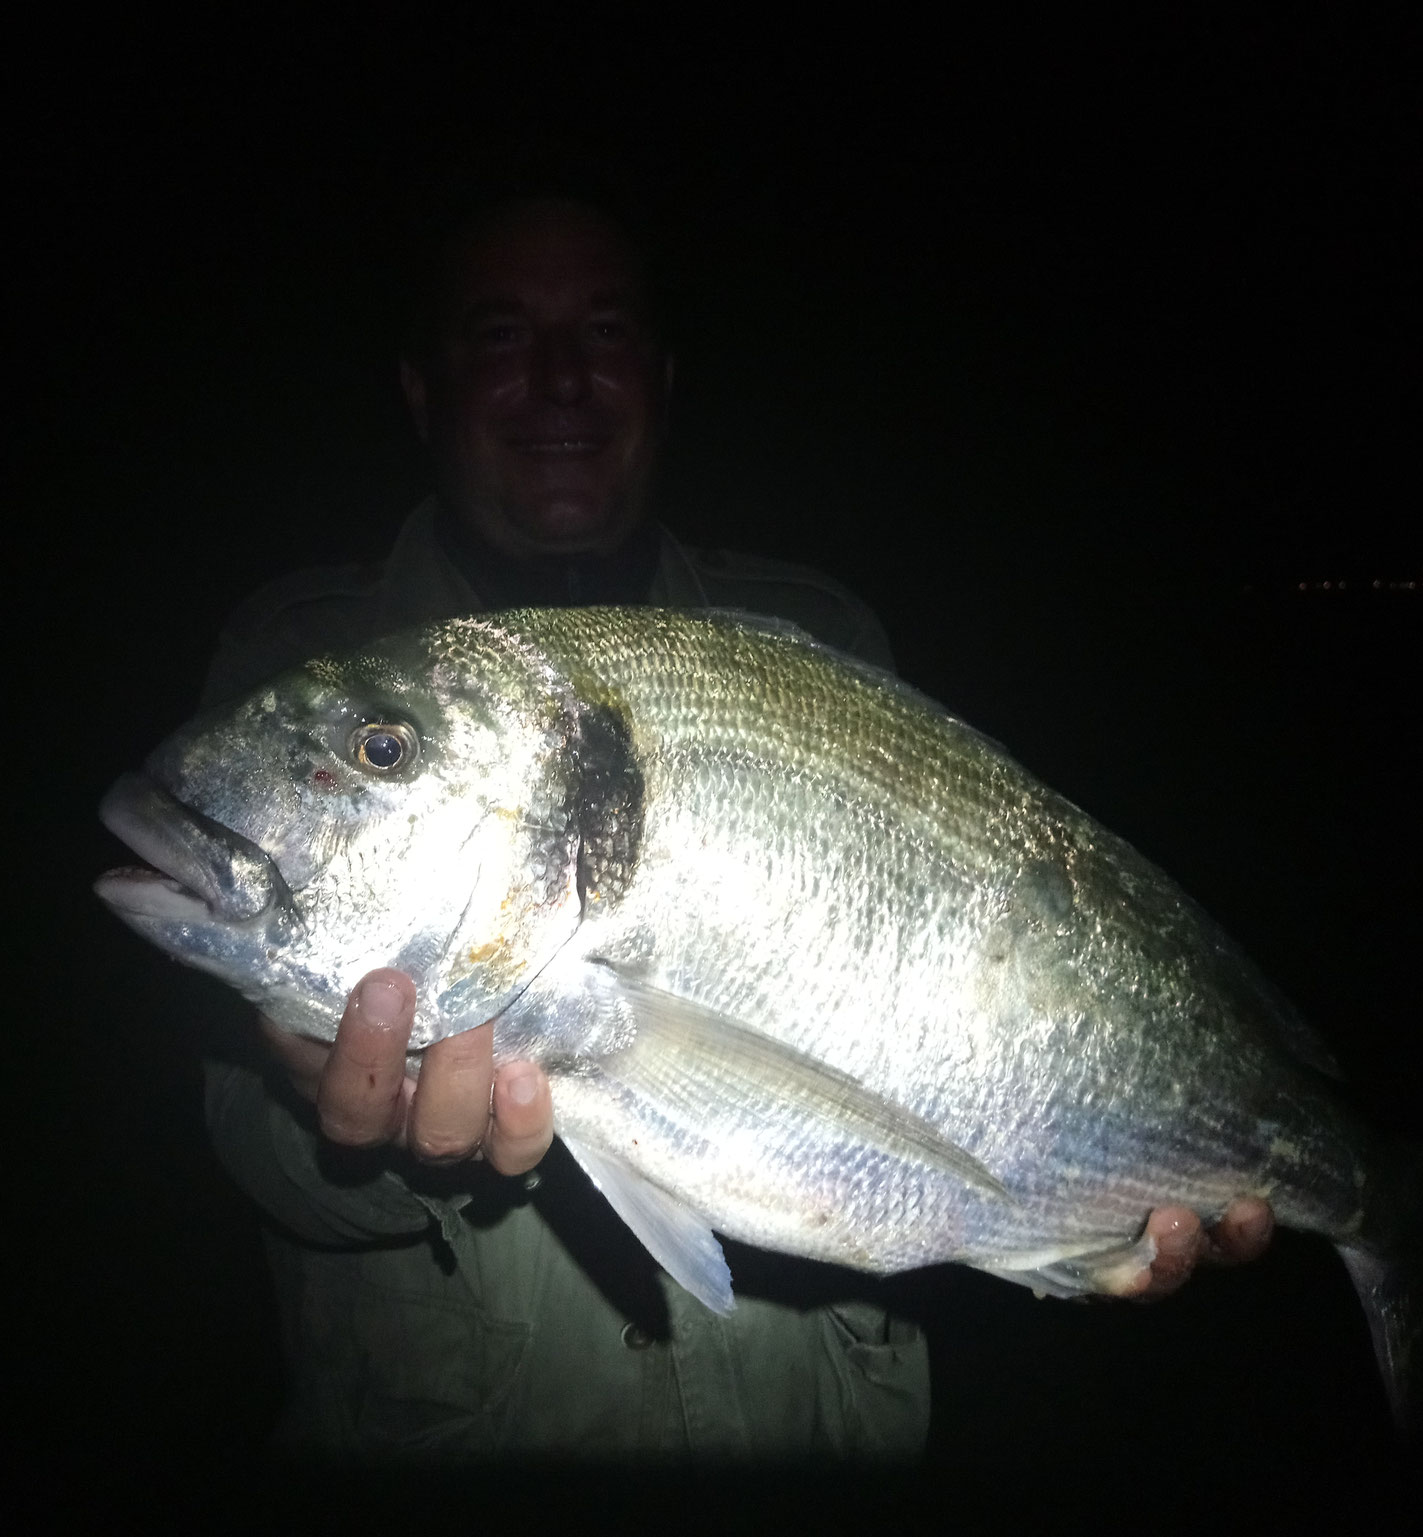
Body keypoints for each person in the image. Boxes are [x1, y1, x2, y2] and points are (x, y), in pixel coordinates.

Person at [195, 163, 1273, 1461]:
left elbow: (968, 1038)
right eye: (499, 335)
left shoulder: (820, 636)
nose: (558, 379)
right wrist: (304, 1093)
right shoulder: (300, 655)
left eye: (601, 333)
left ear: (661, 378)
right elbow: (230, 1121)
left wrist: (1105, 1187)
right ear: (421, 389)